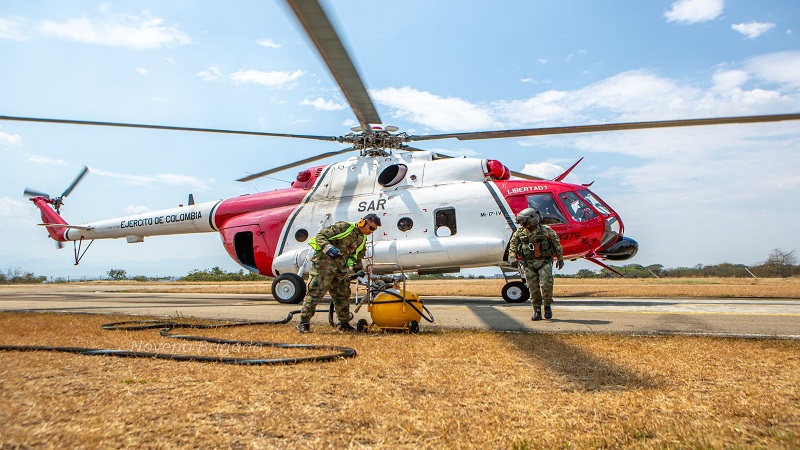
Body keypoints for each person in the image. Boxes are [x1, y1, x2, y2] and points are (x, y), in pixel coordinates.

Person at [296, 213, 382, 333]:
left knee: (343, 296)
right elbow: (320, 236)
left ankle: (344, 324)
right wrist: (328, 248)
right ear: (363, 222)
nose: (371, 231)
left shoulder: (362, 239)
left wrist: (359, 271)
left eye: (374, 230)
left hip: (341, 270)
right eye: (371, 228)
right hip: (323, 266)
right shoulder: (344, 227)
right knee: (315, 294)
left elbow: (356, 257)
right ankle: (304, 323)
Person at [508, 208, 564, 321]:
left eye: (524, 221)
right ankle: (537, 311)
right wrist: (512, 258)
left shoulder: (546, 230)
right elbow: (513, 245)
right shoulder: (519, 233)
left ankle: (547, 306)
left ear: (533, 219)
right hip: (528, 264)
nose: (523, 224)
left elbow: (556, 244)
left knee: (546, 285)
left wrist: (560, 258)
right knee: (533, 289)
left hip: (544, 262)